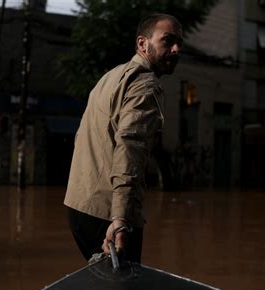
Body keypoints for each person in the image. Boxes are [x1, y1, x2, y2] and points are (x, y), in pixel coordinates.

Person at [64, 13, 183, 263]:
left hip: (78, 205)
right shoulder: (145, 85)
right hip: (108, 213)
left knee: (104, 288)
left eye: (179, 43)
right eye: (168, 41)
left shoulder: (110, 78)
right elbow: (130, 150)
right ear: (143, 44)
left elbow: (81, 137)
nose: (176, 49)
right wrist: (120, 219)